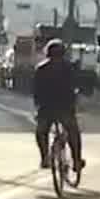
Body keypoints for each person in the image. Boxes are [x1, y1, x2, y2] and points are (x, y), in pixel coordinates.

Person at [32, 40, 85, 175]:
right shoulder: (69, 68)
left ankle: (45, 157)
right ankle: (77, 161)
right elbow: (76, 86)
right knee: (73, 133)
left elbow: (36, 91)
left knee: (41, 132)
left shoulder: (41, 69)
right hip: (65, 108)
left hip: (46, 108)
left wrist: (38, 105)